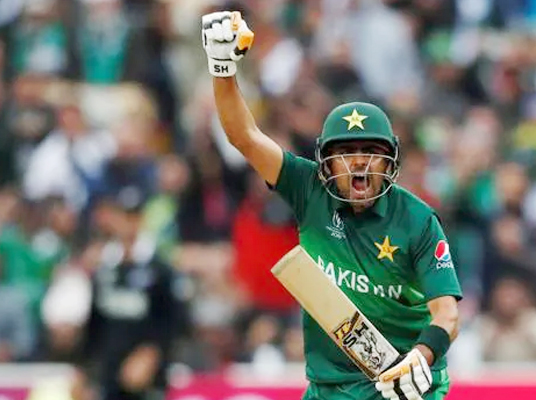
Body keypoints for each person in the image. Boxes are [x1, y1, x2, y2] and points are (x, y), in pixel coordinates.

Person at [201, 11, 462, 400]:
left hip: (404, 388)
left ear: (390, 161)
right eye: (346, 153)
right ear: (326, 163)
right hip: (328, 390)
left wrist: (420, 357)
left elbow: (448, 314)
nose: (359, 162)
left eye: (370, 152)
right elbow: (245, 137)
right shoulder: (310, 189)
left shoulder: (417, 220)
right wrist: (223, 70)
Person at [80, 186, 188, 400]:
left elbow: (176, 321)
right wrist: (85, 370)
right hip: (108, 375)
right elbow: (95, 322)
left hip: (146, 379)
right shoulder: (104, 266)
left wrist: (152, 353)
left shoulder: (159, 268)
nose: (129, 223)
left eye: (135, 216)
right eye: (124, 215)